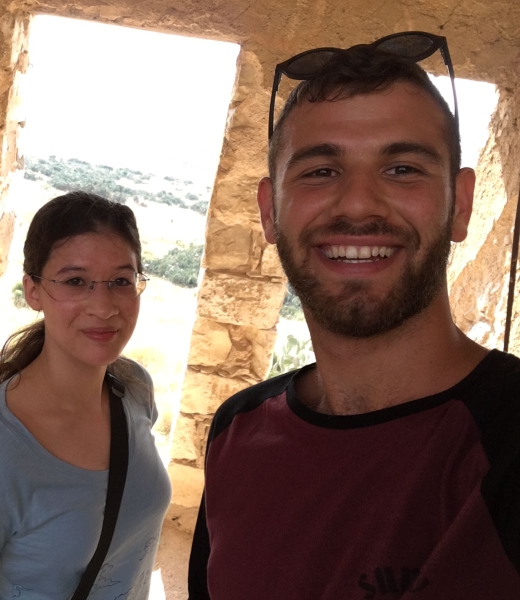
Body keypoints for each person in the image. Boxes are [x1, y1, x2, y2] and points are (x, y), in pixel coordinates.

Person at [188, 32, 520, 599]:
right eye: (320, 171)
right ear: (270, 212)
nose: (360, 203)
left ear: (460, 204)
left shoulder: (506, 441)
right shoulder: (238, 429)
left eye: (403, 169)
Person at [0, 191, 171, 600]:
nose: (104, 306)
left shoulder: (133, 390)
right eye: (75, 281)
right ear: (33, 291)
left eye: (121, 281)